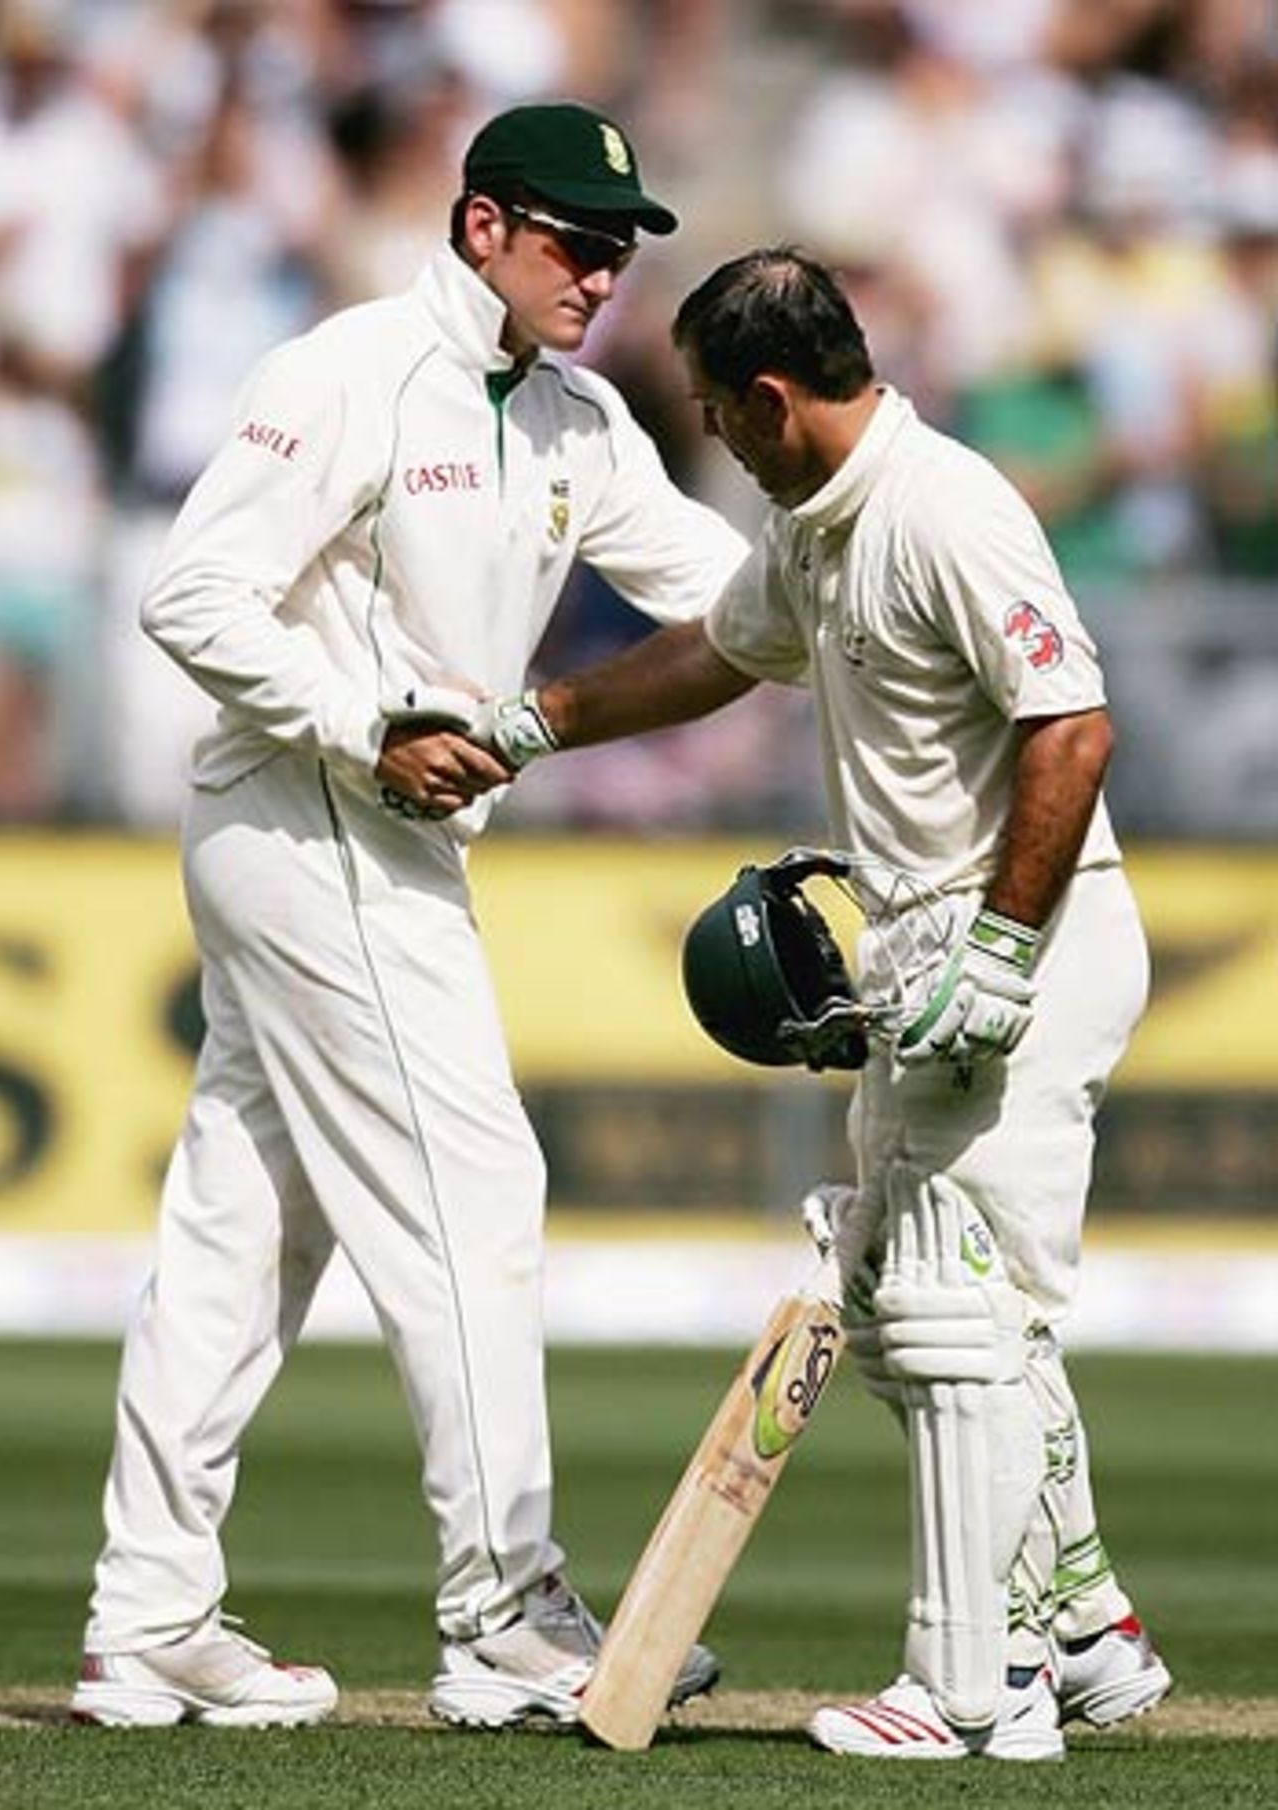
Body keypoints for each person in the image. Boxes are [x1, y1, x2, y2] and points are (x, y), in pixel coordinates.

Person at [71, 101, 746, 1731]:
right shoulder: (349, 371)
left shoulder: (583, 420)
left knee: (246, 1230)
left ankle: (148, 1613)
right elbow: (193, 594)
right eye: (575, 241)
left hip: (389, 838)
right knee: (473, 1183)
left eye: (618, 248)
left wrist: (896, 567)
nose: (600, 273)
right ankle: (502, 1606)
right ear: (481, 226)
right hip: (310, 810)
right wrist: (365, 713)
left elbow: (737, 595)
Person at [465, 248, 1172, 1761]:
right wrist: (540, 719)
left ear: (777, 399)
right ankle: (1091, 1625)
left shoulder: (944, 509)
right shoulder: (814, 528)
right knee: (932, 1302)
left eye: (723, 415)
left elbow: (1075, 727)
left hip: (1021, 940)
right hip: (931, 950)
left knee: (953, 1316)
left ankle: (979, 1689)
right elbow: (717, 656)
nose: (719, 438)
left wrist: (997, 949)